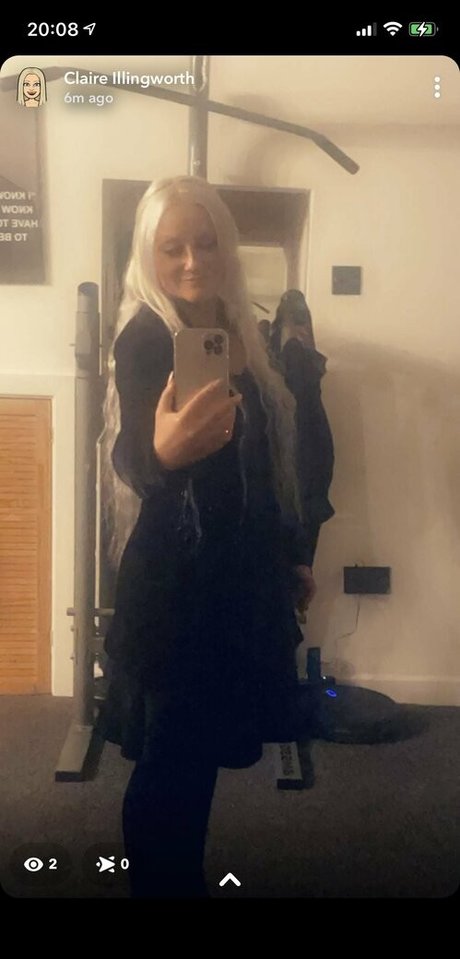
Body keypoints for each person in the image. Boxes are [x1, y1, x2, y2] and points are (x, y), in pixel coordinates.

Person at [97, 176, 314, 899]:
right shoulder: (145, 336)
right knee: (168, 767)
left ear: (226, 245)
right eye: (173, 248)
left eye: (206, 242)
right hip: (176, 591)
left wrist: (291, 557)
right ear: (149, 255)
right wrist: (157, 454)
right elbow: (131, 450)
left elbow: (262, 468)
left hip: (237, 583)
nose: (192, 260)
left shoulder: (238, 328)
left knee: (193, 763)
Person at [269, 290, 335, 597]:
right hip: (300, 481)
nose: (301, 328)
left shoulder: (299, 362)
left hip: (307, 481)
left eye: (303, 320)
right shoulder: (290, 361)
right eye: (296, 320)